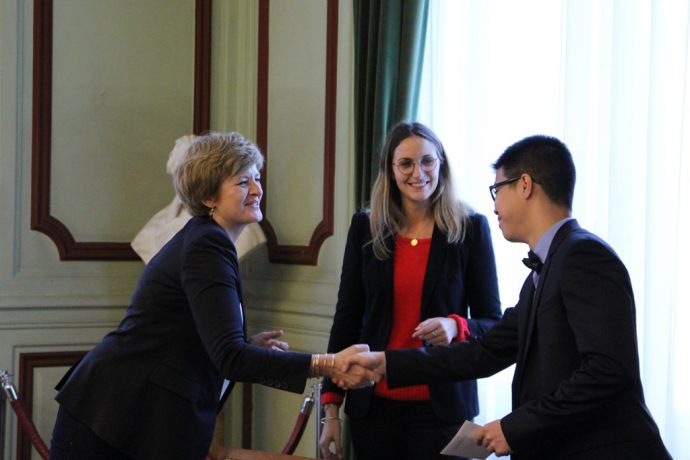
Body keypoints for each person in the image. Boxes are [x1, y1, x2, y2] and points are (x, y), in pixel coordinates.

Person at [341, 135, 672, 459]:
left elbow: (607, 371)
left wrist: (515, 427)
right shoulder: (544, 271)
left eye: (498, 189)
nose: (494, 204)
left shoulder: (583, 256)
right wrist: (385, 363)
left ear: (525, 185)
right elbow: (484, 352)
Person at [49, 132, 368, 460]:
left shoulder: (208, 240)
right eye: (243, 182)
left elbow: (201, 341)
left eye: (257, 178)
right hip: (114, 419)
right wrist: (328, 364)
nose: (257, 189)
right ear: (208, 196)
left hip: (127, 416)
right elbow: (230, 357)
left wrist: (249, 347)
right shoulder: (207, 245)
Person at [319, 121, 502, 460]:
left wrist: (456, 326)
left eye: (428, 161)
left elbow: (493, 322)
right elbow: (347, 319)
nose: (418, 172)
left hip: (444, 410)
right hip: (373, 409)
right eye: (406, 163)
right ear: (390, 170)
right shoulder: (365, 227)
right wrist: (330, 408)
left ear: (441, 165)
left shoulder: (471, 229)